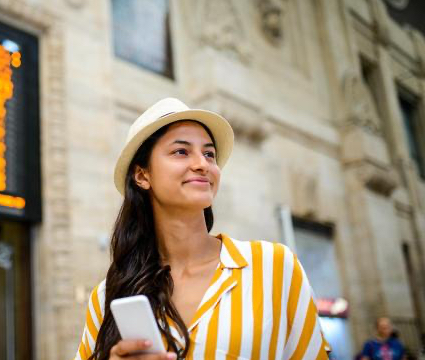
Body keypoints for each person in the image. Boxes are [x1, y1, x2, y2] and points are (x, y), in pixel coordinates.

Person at [74, 98, 329, 359]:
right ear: (142, 175)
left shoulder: (273, 266)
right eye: (181, 152)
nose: (203, 164)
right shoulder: (108, 296)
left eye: (209, 154)